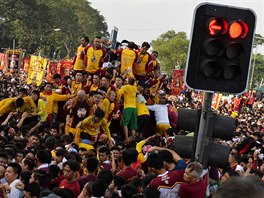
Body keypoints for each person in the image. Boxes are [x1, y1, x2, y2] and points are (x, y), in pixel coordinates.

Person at [117, 77, 137, 141]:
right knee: (133, 125)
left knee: (124, 123)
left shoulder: (125, 87)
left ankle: (126, 138)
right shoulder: (134, 87)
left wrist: (118, 100)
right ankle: (133, 139)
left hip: (127, 107)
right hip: (134, 108)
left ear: (128, 81)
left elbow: (119, 93)